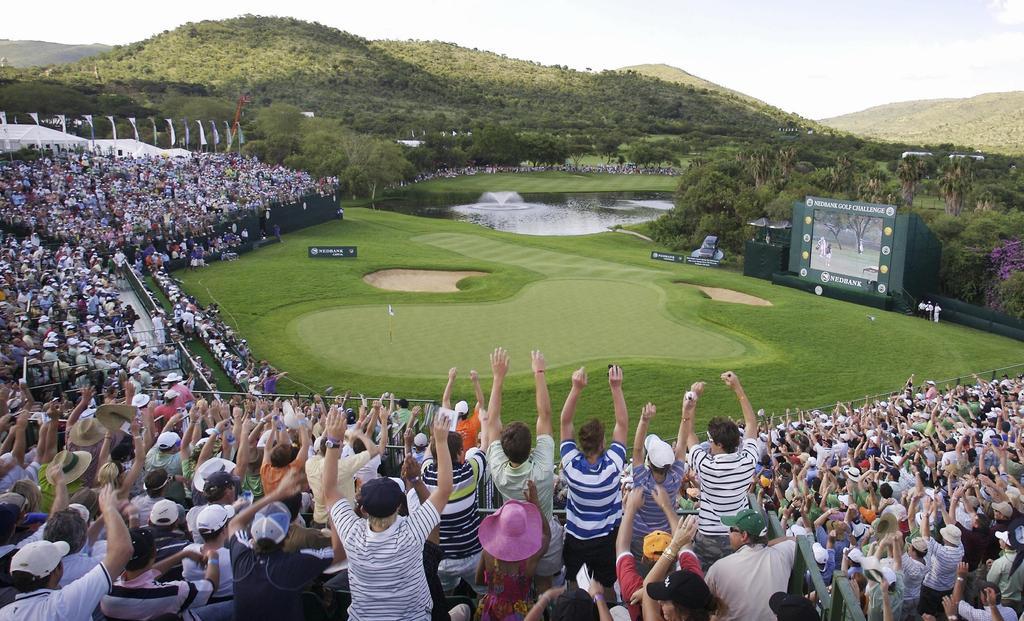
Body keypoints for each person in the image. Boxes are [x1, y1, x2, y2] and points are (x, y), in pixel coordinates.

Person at [325, 403, 456, 621]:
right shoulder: (411, 531)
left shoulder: (351, 533)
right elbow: (444, 489)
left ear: (364, 510)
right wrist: (440, 442)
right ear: (399, 506)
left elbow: (329, 489)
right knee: (462, 610)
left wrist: (333, 440)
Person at [481, 349, 564, 592]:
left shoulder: (499, 470)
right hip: (543, 534)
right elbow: (545, 416)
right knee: (544, 585)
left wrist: (498, 377)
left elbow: (493, 421)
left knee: (518, 587)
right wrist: (538, 372)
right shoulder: (543, 468)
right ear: (531, 448)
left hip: (512, 537)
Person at [0, 486, 131, 621]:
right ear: (56, 571)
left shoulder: (4, 613)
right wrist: (109, 509)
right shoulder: (63, 606)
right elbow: (122, 551)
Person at [227, 469, 340, 620]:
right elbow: (340, 553)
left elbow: (235, 522)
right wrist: (335, 514)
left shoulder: (241, 557)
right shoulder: (294, 563)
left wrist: (277, 494)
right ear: (287, 533)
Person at [560, 364, 629, 596]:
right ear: (602, 444)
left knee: (575, 587)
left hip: (576, 540)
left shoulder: (571, 466)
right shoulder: (612, 467)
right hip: (605, 542)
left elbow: (565, 423)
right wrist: (616, 388)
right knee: (607, 588)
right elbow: (622, 424)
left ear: (581, 443)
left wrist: (576, 389)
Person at [680, 372, 761, 570]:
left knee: (706, 580)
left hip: (709, 536)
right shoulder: (747, 461)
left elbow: (688, 433)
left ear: (718, 444)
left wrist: (692, 401)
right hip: (737, 535)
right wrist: (737, 388)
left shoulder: (706, 466)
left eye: (710, 441)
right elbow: (752, 424)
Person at [704, 507, 797, 621]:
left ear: (744, 536)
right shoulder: (782, 554)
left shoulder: (719, 567)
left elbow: (703, 602)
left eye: (732, 529)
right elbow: (795, 540)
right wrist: (765, 545)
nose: (728, 532)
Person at [475, 483, 551, 621]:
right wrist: (536, 504)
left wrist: (497, 586)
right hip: (523, 613)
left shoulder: (487, 552)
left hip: (492, 610)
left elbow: (478, 580)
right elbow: (546, 535)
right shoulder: (530, 558)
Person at [630, 400, 687, 568]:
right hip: (666, 536)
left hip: (640, 538)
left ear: (649, 461)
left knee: (640, 572)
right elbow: (682, 443)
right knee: (664, 570)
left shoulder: (641, 478)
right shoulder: (675, 477)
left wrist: (644, 420)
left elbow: (637, 449)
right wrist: (686, 414)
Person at [918, 496, 965, 617]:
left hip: (931, 588)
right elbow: (951, 526)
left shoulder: (943, 552)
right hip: (948, 587)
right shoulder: (960, 548)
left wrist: (926, 514)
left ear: (945, 538)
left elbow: (925, 537)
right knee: (940, 611)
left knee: (927, 614)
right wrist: (942, 509)